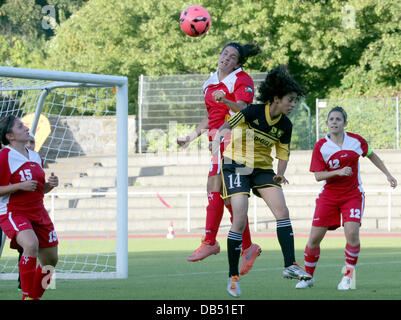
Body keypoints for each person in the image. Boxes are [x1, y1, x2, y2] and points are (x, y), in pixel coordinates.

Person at [212, 65, 312, 297]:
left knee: (282, 211)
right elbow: (227, 124)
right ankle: (233, 276)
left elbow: (283, 154)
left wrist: (280, 172)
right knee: (239, 217)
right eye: (290, 100)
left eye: (295, 101)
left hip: (263, 169)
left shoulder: (285, 125)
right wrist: (217, 139)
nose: (293, 105)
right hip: (236, 164)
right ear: (276, 99)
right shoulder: (253, 112)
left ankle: (289, 265)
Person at [177, 42, 262, 275]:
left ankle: (210, 242)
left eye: (232, 56)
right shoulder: (210, 81)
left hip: (236, 139)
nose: (226, 58)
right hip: (218, 141)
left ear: (238, 63)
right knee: (226, 199)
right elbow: (210, 117)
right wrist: (190, 137)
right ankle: (247, 246)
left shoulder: (241, 79)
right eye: (224, 53)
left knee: (214, 186)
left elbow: (243, 111)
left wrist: (225, 101)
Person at [295, 106, 397, 290]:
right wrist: (339, 172)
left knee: (352, 233)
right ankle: (308, 276)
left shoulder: (356, 141)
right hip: (328, 197)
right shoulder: (321, 146)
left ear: (345, 123)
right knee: (314, 239)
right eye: (331, 119)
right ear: (327, 123)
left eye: (338, 119)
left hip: (352, 195)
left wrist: (388, 174)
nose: (334, 122)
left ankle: (348, 277)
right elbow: (318, 175)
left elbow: (372, 155)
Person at [0, 116, 59, 300]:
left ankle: (34, 297)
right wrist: (19, 186)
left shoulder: (34, 155)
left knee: (51, 261)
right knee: (30, 244)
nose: (26, 128)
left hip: (39, 212)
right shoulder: (4, 156)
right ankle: (26, 297)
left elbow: (39, 189)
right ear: (10, 136)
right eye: (20, 126)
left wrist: (50, 185)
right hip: (14, 212)